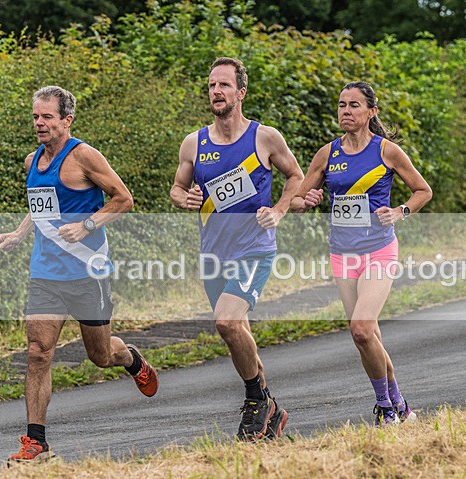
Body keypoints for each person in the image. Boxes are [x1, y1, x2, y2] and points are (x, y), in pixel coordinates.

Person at [0, 86, 158, 464]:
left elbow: (124, 199)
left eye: (47, 117)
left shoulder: (84, 156)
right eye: (36, 116)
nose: (39, 123)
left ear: (66, 120)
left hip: (88, 272)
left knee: (100, 356)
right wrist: (19, 233)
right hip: (46, 274)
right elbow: (42, 208)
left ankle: (131, 359)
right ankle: (37, 443)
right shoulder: (32, 161)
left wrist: (87, 224)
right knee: (38, 353)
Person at [170, 57, 304, 441]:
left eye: (224, 85)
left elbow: (295, 176)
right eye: (212, 85)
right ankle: (269, 408)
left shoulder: (264, 138)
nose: (216, 91)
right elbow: (176, 188)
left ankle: (254, 402)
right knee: (236, 332)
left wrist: (278, 211)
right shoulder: (194, 143)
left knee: (227, 321)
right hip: (213, 254)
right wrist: (185, 199)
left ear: (241, 92)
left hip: (254, 249)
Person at [291, 81, 432, 426]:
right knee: (369, 337)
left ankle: (385, 406)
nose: (346, 111)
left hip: (379, 250)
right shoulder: (327, 154)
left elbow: (423, 190)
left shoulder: (387, 152)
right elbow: (295, 200)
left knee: (361, 329)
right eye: (341, 105)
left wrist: (401, 211)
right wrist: (305, 201)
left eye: (354, 105)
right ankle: (400, 403)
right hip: (342, 254)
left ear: (371, 112)